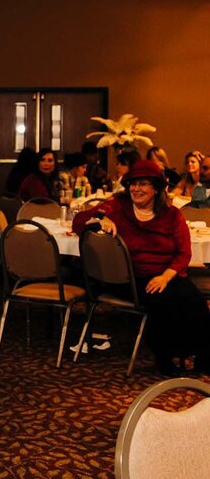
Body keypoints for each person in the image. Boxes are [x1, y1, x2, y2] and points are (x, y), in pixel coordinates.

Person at [73, 159, 210, 376]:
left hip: (167, 273)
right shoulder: (119, 206)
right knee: (162, 301)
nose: (136, 189)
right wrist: (101, 219)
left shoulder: (172, 215)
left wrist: (165, 277)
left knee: (195, 300)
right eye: (133, 184)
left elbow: (183, 253)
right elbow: (79, 220)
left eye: (143, 184)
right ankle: (164, 359)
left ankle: (202, 357)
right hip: (131, 276)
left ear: (156, 188)